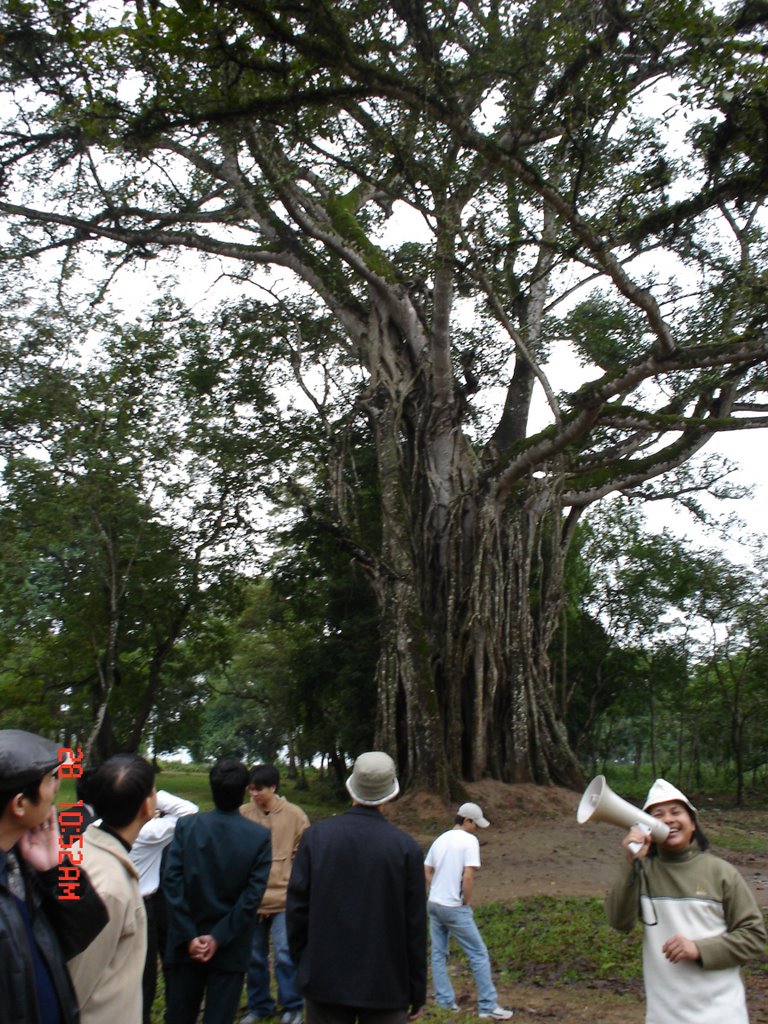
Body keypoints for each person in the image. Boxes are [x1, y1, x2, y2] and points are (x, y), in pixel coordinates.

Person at [605, 777, 767, 1024]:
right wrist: (631, 864)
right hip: (664, 1017)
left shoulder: (721, 872)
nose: (668, 819)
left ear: (693, 824)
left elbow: (754, 937)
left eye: (676, 812)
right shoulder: (643, 872)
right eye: (657, 814)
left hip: (722, 1015)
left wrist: (700, 949)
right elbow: (619, 922)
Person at [286, 751, 427, 1024]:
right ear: (391, 794)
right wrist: (416, 989)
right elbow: (415, 926)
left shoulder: (316, 837)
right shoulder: (405, 848)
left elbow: (296, 910)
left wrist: (305, 965)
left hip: (324, 980)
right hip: (386, 984)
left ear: (351, 786)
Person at [0, 729, 108, 1024]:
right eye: (51, 779)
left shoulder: (23, 861)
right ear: (20, 804)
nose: (58, 788)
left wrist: (57, 871)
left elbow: (79, 933)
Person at [162, 759, 272, 1024]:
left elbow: (172, 882)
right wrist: (218, 937)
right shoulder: (258, 836)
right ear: (246, 789)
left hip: (185, 942)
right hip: (230, 944)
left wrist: (189, 935)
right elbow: (251, 897)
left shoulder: (187, 828)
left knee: (179, 1014)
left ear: (211, 787)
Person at [67, 753, 158, 1024]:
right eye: (154, 790)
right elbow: (75, 979)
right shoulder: (110, 888)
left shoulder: (78, 850)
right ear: (145, 806)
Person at [424, 802, 513, 1020]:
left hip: (434, 903)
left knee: (438, 954)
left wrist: (436, 888)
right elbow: (469, 876)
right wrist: (465, 901)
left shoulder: (440, 839)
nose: (478, 829)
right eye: (476, 824)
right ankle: (487, 1005)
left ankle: (445, 1001)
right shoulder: (469, 841)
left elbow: (426, 869)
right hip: (454, 906)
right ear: (467, 821)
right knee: (478, 953)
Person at [240, 764, 309, 1024]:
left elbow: (302, 853)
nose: (254, 794)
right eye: (251, 789)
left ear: (274, 788)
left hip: (284, 897)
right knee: (254, 955)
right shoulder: (243, 813)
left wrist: (292, 881)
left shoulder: (295, 815)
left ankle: (291, 1005)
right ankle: (259, 1005)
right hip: (252, 898)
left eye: (259, 789)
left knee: (284, 952)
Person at [130, 788, 199, 1024]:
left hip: (145, 900)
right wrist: (152, 792)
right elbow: (189, 811)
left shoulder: (95, 827)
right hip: (146, 904)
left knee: (138, 973)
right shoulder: (150, 832)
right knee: (148, 972)